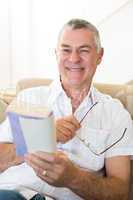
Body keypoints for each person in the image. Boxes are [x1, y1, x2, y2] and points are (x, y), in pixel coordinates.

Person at [0, 18, 133, 200]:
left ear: (100, 55)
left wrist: (73, 178)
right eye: (66, 50)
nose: (74, 59)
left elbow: (121, 193)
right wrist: (42, 135)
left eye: (84, 50)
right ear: (56, 53)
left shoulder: (116, 115)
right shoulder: (29, 98)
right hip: (10, 193)